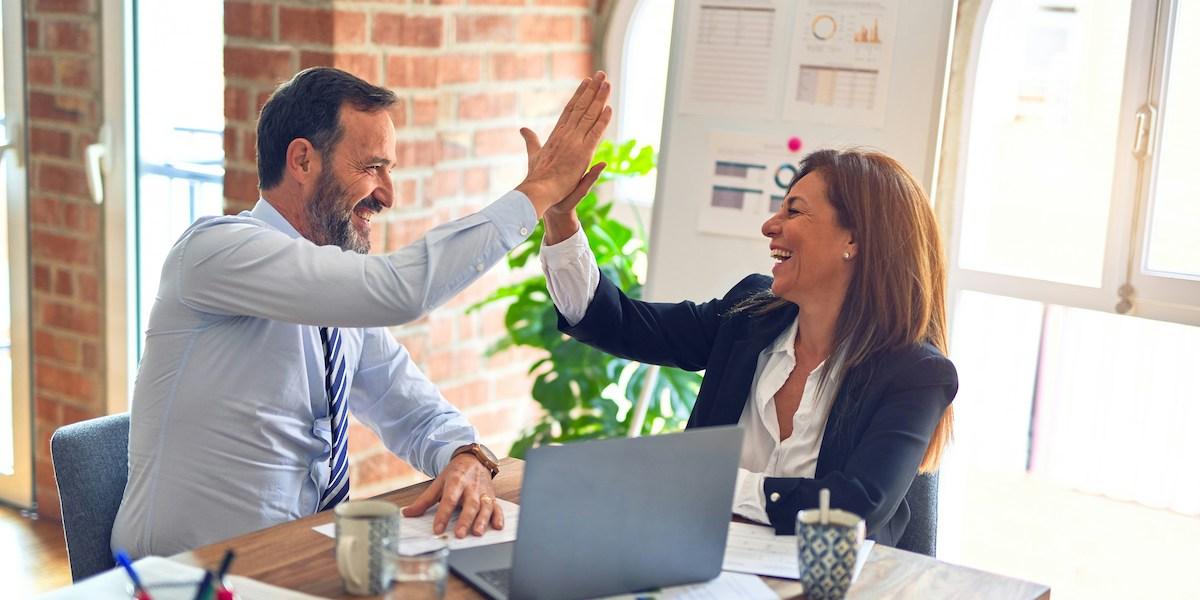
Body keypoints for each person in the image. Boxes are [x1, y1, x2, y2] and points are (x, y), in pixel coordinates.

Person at [112, 67, 611, 557]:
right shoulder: (216, 252)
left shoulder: (335, 299)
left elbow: (412, 409)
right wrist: (539, 191)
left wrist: (466, 455)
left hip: (294, 562)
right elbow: (400, 290)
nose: (388, 195)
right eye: (372, 168)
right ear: (302, 161)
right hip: (182, 579)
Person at [539, 148, 957, 545]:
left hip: (827, 582)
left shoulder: (916, 374)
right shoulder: (749, 315)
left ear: (853, 240)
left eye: (794, 211)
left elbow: (856, 507)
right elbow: (618, 323)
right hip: (701, 562)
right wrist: (560, 217)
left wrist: (714, 483)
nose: (770, 226)